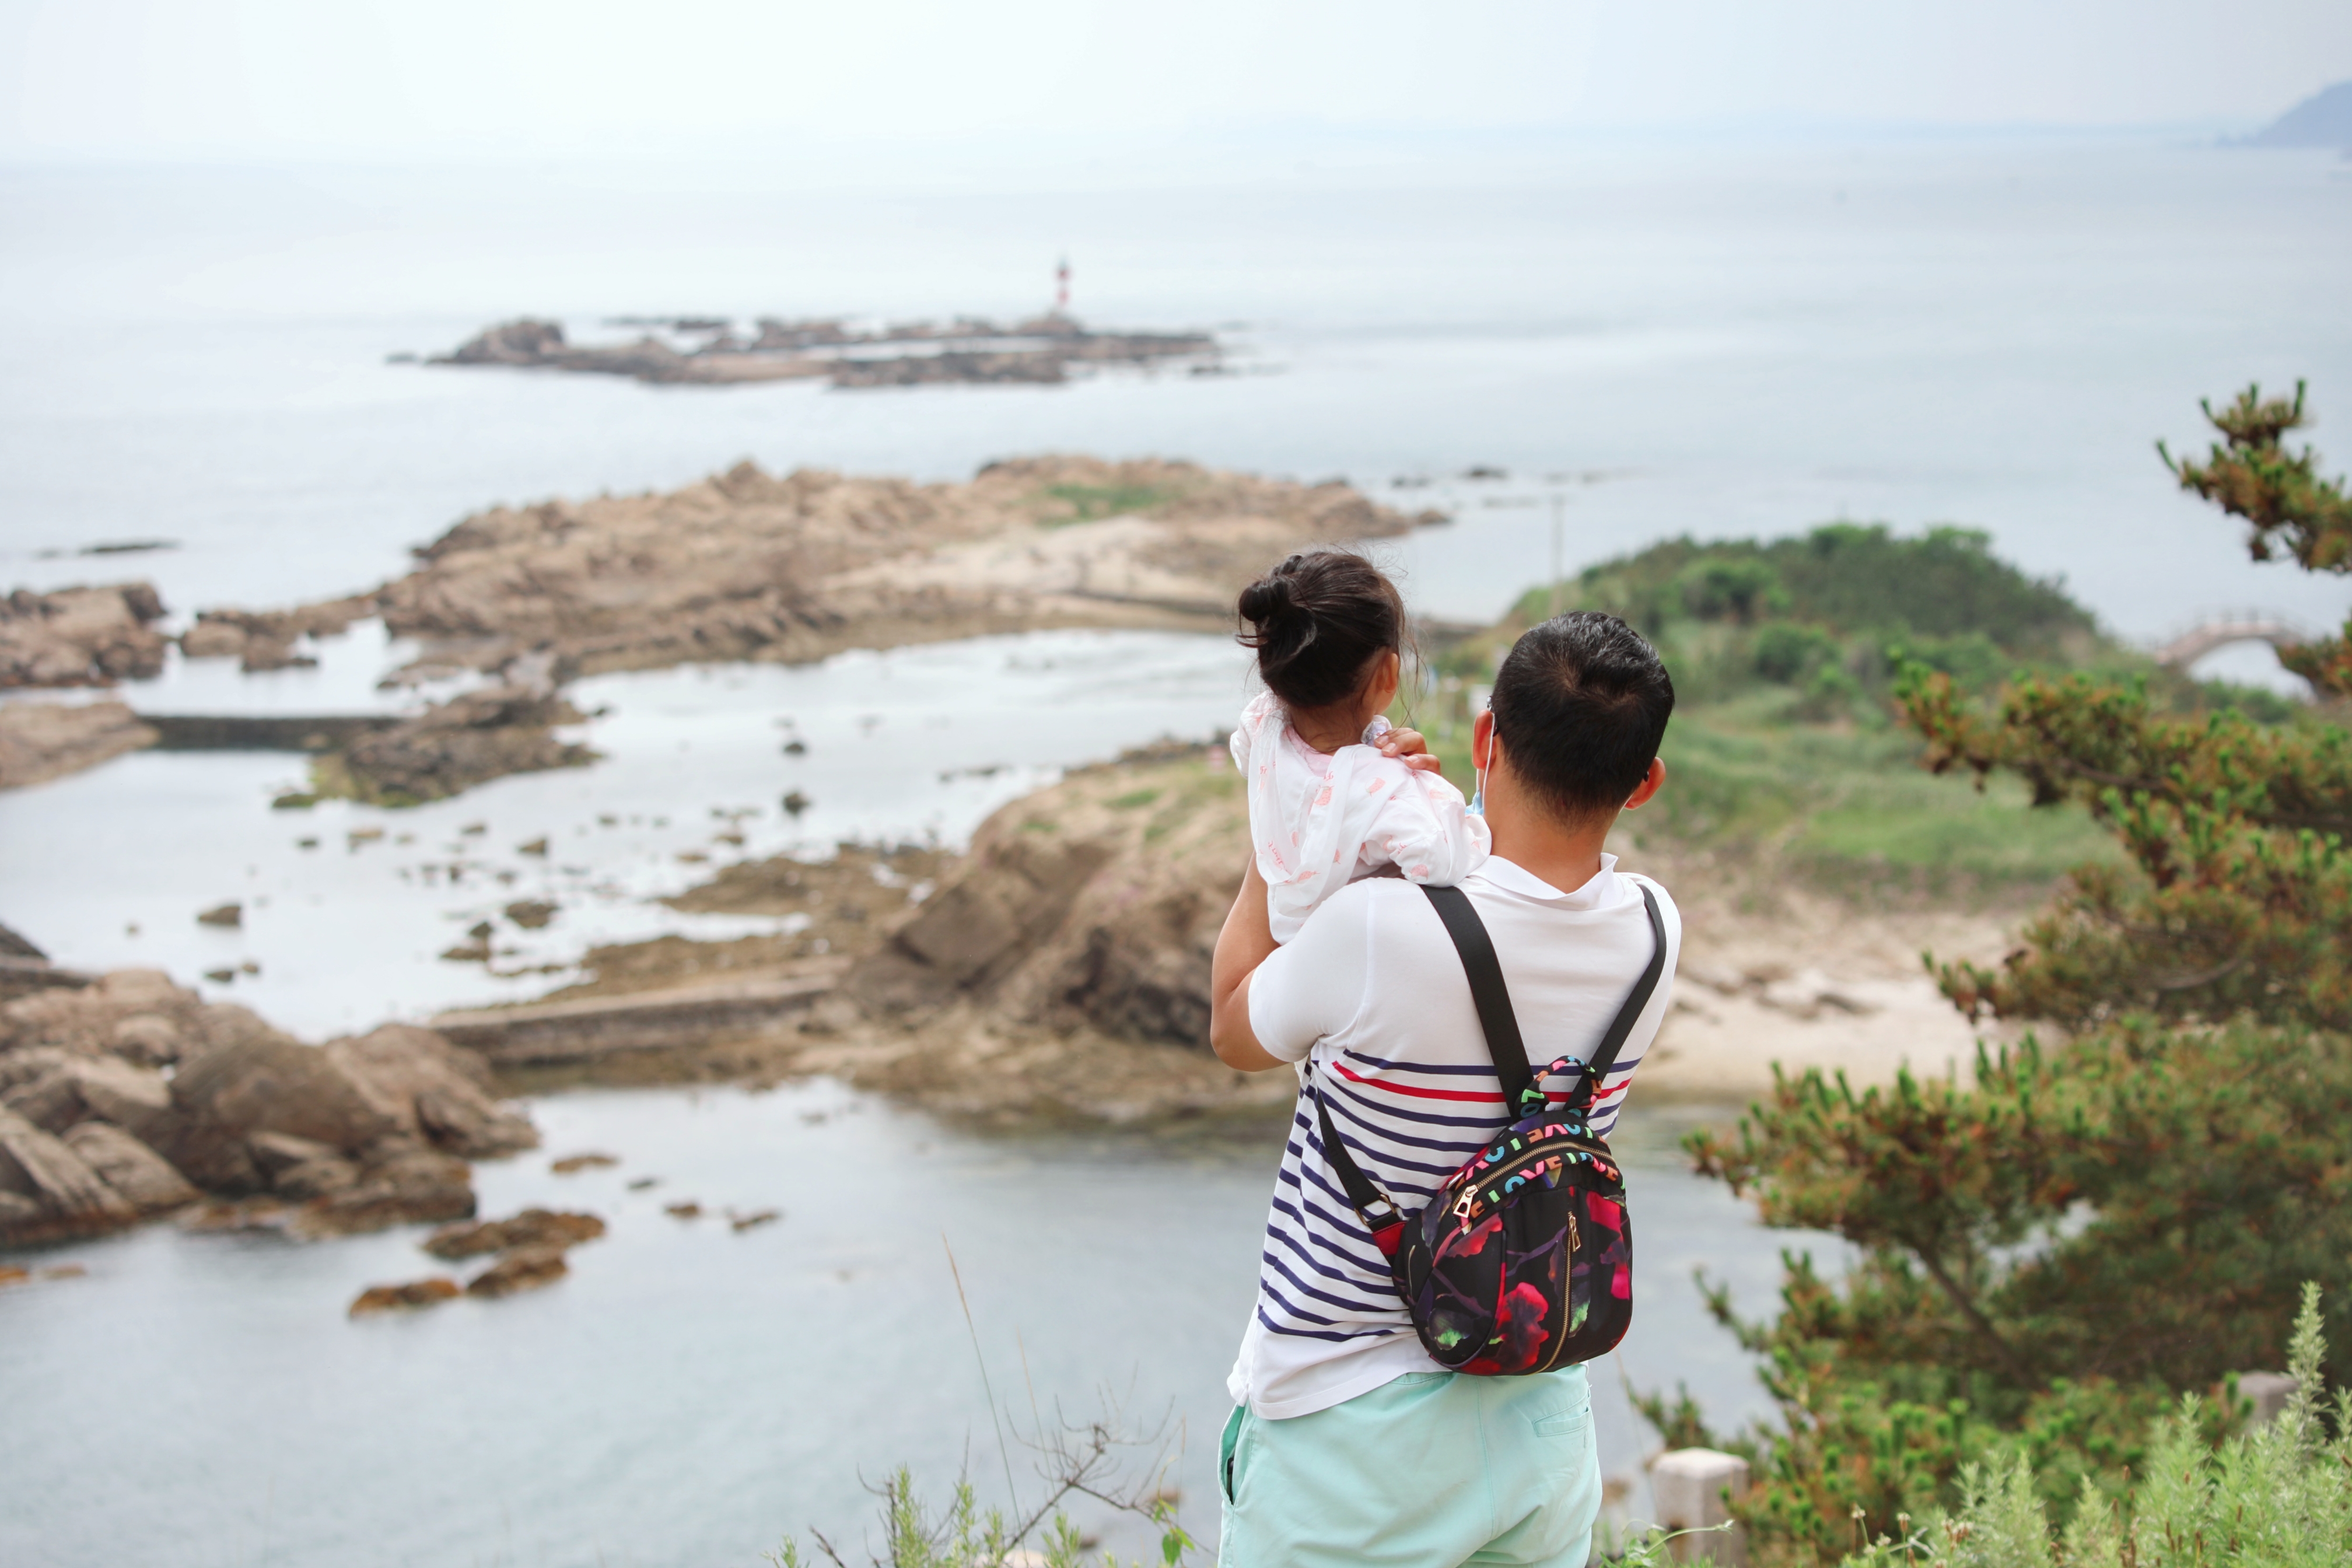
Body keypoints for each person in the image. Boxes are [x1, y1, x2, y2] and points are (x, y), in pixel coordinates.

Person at [1207, 611, 1682, 1568]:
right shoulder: (1653, 929)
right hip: (1539, 1410)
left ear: (1484, 738)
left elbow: (1232, 1024)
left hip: (1348, 1436)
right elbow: (1514, 894)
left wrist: (1294, 823)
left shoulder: (1376, 924)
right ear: (1643, 782)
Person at [1229, 551, 1487, 945]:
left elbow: (1245, 753)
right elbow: (1444, 861)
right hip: (1348, 960)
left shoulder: (1261, 726)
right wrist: (1436, 798)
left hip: (1284, 946)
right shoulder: (1390, 790)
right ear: (1389, 674)